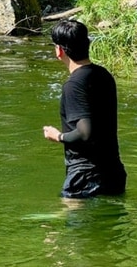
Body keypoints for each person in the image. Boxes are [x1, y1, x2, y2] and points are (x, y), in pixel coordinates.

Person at [43, 19, 127, 199]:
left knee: (65, 225)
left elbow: (84, 132)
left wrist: (57, 136)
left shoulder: (73, 85)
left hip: (84, 178)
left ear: (59, 50)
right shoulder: (104, 75)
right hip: (113, 173)